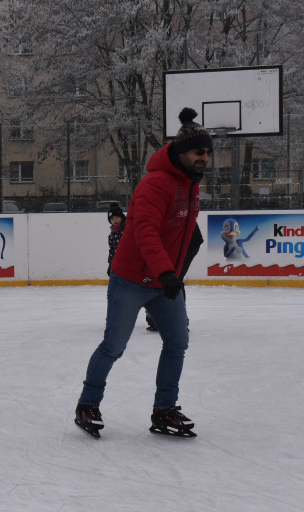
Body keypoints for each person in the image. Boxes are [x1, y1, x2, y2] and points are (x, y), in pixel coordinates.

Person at [75, 107, 209, 440]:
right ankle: (86, 404)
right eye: (198, 152)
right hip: (132, 280)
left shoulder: (191, 185)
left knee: (178, 343)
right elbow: (145, 231)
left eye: (207, 152)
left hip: (164, 281)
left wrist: (174, 271)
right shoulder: (155, 184)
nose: (204, 158)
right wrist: (166, 271)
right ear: (180, 153)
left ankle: (164, 410)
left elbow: (180, 231)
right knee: (114, 346)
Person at [145, 223, 203, 332]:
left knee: (173, 278)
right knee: (165, 277)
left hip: (186, 241)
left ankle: (178, 320)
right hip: (177, 239)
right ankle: (158, 317)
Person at [107, 205, 125, 276]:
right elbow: (112, 251)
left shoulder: (126, 231)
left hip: (128, 263)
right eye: (112, 218)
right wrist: (110, 265)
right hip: (117, 264)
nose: (115, 220)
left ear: (121, 218)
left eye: (117, 217)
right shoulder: (111, 236)